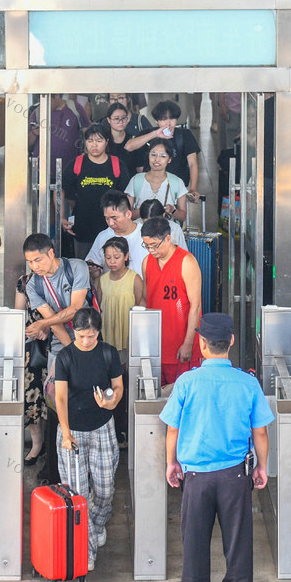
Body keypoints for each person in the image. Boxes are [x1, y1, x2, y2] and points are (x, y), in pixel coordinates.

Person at [162, 312, 272, 582]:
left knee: (194, 545)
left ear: (202, 344)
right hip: (236, 476)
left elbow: (173, 429)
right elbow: (260, 431)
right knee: (238, 546)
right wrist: (262, 467)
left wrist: (172, 463)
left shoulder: (187, 382)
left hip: (196, 477)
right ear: (232, 342)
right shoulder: (248, 382)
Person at [53, 308, 123, 572]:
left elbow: (118, 388)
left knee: (105, 490)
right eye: (81, 336)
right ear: (74, 332)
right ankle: (87, 550)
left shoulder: (108, 353)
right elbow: (60, 397)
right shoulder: (65, 357)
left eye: (91, 336)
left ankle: (97, 521)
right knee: (77, 495)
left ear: (98, 333)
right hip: (73, 430)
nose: (85, 341)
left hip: (102, 426)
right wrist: (66, 432)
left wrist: (110, 402)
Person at [141, 217, 202, 384]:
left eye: (154, 245)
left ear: (168, 238)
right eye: (146, 246)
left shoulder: (186, 262)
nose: (151, 250)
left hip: (180, 346)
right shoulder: (147, 262)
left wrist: (188, 344)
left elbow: (195, 307)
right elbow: (145, 299)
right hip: (155, 346)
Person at [96, 236, 144, 449]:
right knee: (107, 385)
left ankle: (124, 429)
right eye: (108, 257)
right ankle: (111, 428)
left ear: (126, 256)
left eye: (116, 257)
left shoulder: (135, 279)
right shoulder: (101, 281)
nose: (112, 261)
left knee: (125, 383)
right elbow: (97, 310)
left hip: (128, 340)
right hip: (107, 340)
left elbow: (143, 308)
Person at [22, 233, 91, 376]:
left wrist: (42, 324)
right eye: (29, 262)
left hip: (88, 336)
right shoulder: (33, 285)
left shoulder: (77, 267)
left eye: (38, 260)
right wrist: (72, 352)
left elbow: (76, 309)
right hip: (59, 343)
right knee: (56, 393)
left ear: (51, 253)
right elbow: (55, 323)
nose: (35, 266)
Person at [62, 123, 132, 259]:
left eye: (99, 141)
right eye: (90, 141)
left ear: (106, 142)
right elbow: (62, 191)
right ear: (85, 143)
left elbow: (128, 196)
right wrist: (62, 217)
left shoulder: (117, 165)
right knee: (83, 266)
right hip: (83, 228)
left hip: (112, 229)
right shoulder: (76, 164)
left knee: (113, 264)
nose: (94, 145)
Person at [126, 101, 201, 199]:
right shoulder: (147, 134)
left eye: (172, 118)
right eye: (163, 119)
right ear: (156, 121)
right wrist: (155, 134)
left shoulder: (184, 135)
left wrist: (193, 188)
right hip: (149, 188)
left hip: (176, 189)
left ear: (177, 119)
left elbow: (192, 163)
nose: (168, 123)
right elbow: (129, 147)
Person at [14, 273, 48, 466]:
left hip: (57, 342)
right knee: (32, 396)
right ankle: (37, 444)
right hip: (31, 344)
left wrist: (47, 327)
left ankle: (55, 442)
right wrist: (31, 331)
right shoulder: (24, 281)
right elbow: (18, 314)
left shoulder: (63, 280)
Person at [124, 139, 190, 224]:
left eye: (163, 156)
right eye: (153, 155)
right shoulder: (136, 180)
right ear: (148, 156)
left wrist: (172, 210)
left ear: (169, 159)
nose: (157, 159)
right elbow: (127, 214)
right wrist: (145, 210)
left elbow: (183, 216)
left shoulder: (177, 182)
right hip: (140, 232)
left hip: (167, 232)